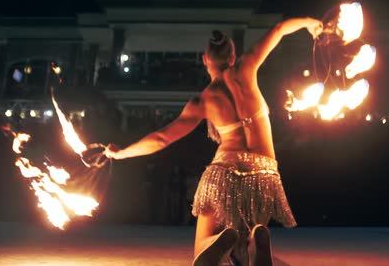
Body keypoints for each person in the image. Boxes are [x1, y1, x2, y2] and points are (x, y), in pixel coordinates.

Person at [93, 17, 323, 265]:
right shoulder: (247, 67)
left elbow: (160, 139)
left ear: (205, 59)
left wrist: (121, 153)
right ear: (233, 57)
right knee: (249, 247)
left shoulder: (202, 101)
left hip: (224, 170)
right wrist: (310, 23)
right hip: (265, 172)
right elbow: (279, 29)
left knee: (201, 250)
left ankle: (219, 240)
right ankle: (256, 241)